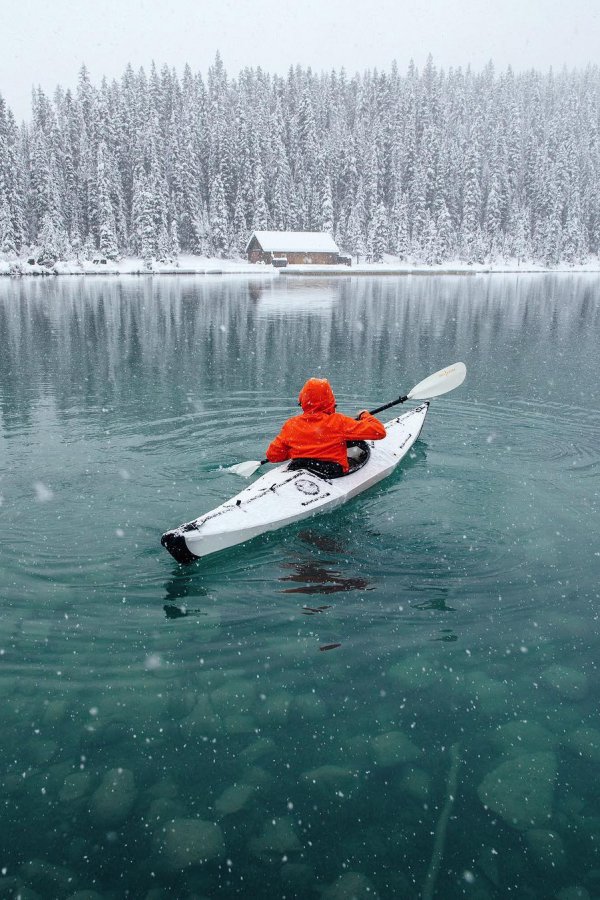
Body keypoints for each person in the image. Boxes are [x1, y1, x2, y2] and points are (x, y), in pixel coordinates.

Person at [265, 378, 386, 479]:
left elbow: (273, 456)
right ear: (330, 400)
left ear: (302, 400)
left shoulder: (291, 424)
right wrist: (364, 415)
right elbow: (379, 431)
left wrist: (298, 451)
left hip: (299, 466)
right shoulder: (338, 422)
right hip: (331, 471)